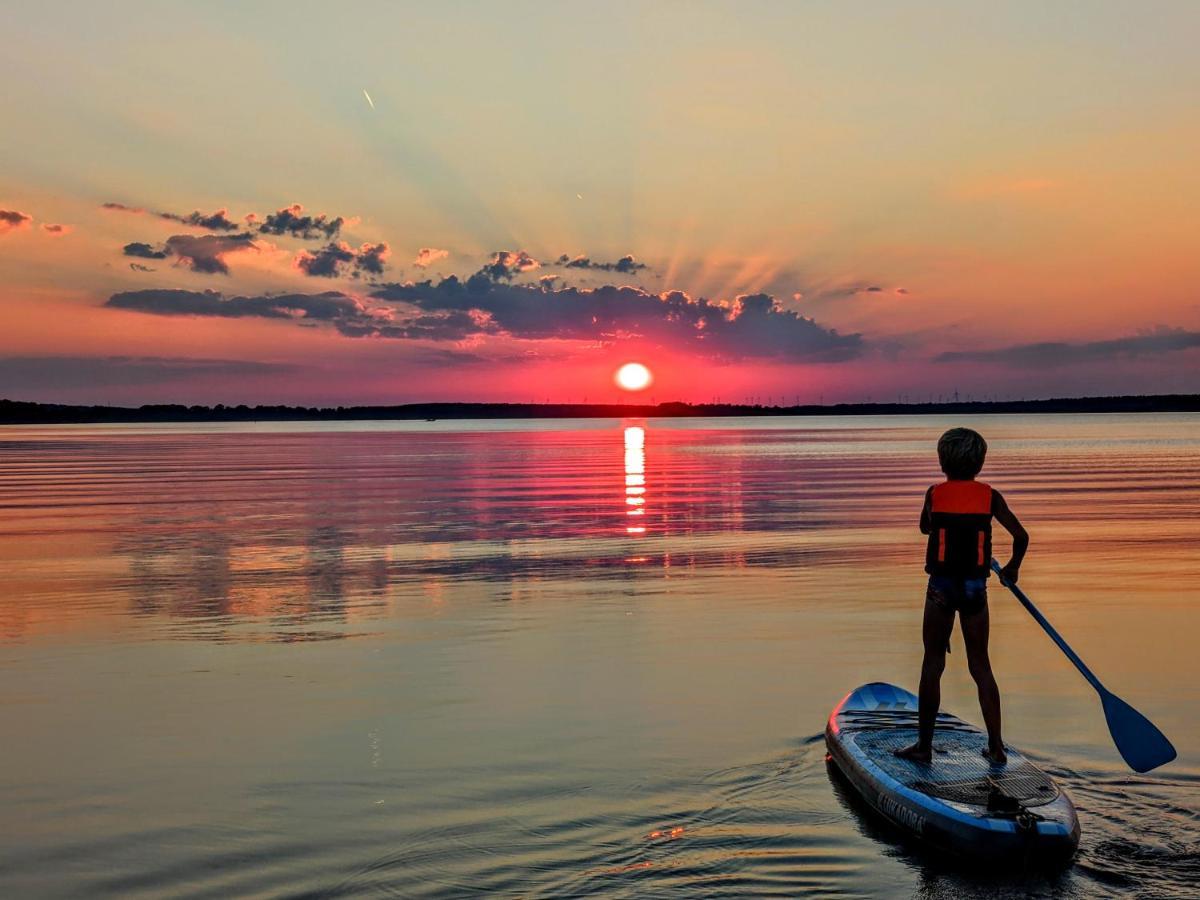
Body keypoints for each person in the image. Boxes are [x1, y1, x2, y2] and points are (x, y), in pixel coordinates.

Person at [895, 427, 1028, 766]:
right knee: (981, 666)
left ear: (942, 462)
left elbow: (925, 527)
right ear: (980, 463)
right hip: (974, 589)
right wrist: (1012, 569)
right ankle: (996, 748)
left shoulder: (933, 493)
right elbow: (1021, 536)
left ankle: (924, 747)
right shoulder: (990, 496)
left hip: (941, 588)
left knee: (932, 663)